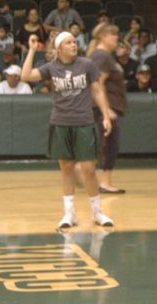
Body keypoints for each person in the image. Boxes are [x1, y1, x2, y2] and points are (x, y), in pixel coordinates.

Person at [21, 32, 115, 229]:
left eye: (74, 41)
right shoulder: (51, 68)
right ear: (59, 48)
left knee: (89, 169)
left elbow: (98, 90)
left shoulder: (87, 65)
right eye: (68, 42)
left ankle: (97, 212)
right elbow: (26, 76)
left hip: (84, 122)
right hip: (61, 122)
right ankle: (69, 214)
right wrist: (31, 50)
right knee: (66, 168)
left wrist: (106, 115)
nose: (74, 45)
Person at [90, 23, 128, 194]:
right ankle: (103, 182)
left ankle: (105, 181)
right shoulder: (102, 57)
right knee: (108, 145)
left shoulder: (105, 57)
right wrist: (106, 111)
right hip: (105, 109)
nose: (116, 39)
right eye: (114, 35)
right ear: (103, 36)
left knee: (109, 145)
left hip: (108, 108)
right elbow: (98, 84)